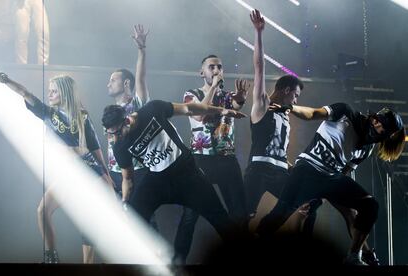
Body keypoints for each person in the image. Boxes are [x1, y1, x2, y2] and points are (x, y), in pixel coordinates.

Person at [256, 101, 406, 265]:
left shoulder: (367, 148)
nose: (380, 137)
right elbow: (313, 113)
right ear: (376, 121)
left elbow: (345, 170)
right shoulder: (345, 112)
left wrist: (329, 194)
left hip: (331, 178)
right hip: (307, 170)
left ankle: (354, 256)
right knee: (281, 213)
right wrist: (292, 108)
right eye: (382, 131)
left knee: (369, 206)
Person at [0, 69, 114, 264]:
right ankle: (51, 257)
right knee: (43, 211)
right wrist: (1, 77)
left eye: (54, 91)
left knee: (92, 218)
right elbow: (25, 93)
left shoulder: (82, 116)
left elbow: (94, 146)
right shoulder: (47, 112)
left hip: (87, 168)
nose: (49, 94)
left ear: (64, 93)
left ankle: (92, 264)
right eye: (49, 90)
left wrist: (105, 173)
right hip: (68, 173)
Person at [101, 96, 247, 254]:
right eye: (110, 134)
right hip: (157, 181)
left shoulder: (152, 110)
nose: (115, 138)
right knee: (134, 217)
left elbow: (188, 109)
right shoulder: (120, 146)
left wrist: (221, 110)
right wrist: (124, 203)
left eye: (117, 133)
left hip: (186, 174)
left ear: (127, 121)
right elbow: (127, 179)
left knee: (220, 218)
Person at [244, 9, 320, 236]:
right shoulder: (262, 104)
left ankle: (266, 231)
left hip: (279, 171)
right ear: (286, 90)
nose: (296, 101)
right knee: (242, 217)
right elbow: (259, 68)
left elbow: (278, 150)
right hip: (258, 170)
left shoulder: (286, 114)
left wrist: (292, 167)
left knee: (310, 202)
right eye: (295, 95)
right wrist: (258, 33)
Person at [173, 54, 249, 264]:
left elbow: (236, 105)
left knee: (239, 214)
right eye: (212, 67)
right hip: (201, 160)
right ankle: (177, 262)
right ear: (202, 72)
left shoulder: (226, 96)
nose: (216, 70)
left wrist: (241, 95)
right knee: (190, 214)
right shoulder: (192, 94)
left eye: (220, 67)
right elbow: (199, 115)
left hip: (226, 160)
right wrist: (214, 87)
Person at [106, 24, 158, 229]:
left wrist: (141, 50)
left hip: (138, 171)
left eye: (113, 80)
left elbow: (141, 78)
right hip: (116, 172)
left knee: (144, 220)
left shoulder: (137, 103)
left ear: (126, 83)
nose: (108, 84)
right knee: (123, 223)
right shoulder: (111, 110)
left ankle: (157, 259)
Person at [15, 0, 50, 64]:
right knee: (22, 34)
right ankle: (21, 66)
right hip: (21, 2)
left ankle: (44, 66)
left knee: (44, 33)